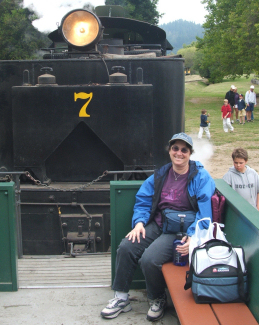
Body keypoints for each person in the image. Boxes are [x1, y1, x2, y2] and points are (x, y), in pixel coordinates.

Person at [101, 132, 215, 321]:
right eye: (175, 148)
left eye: (184, 150)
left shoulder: (200, 177)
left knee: (149, 260)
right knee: (126, 247)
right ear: (170, 151)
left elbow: (205, 214)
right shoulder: (161, 175)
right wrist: (139, 223)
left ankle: (157, 298)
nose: (179, 153)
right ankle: (121, 298)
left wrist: (194, 237)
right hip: (158, 223)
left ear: (190, 153)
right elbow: (143, 200)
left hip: (181, 230)